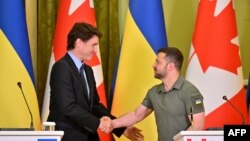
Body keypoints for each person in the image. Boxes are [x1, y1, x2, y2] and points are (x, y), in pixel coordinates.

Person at [47, 22, 143, 141]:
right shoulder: (61, 68)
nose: (96, 50)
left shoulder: (87, 70)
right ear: (78, 42)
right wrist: (99, 123)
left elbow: (94, 106)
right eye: (93, 45)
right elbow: (68, 107)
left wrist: (120, 127)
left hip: (88, 136)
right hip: (68, 136)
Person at [104, 47, 205, 141]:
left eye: (158, 62)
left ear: (170, 66)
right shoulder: (153, 92)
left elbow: (197, 127)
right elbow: (136, 115)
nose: (153, 65)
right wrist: (113, 123)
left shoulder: (189, 91)